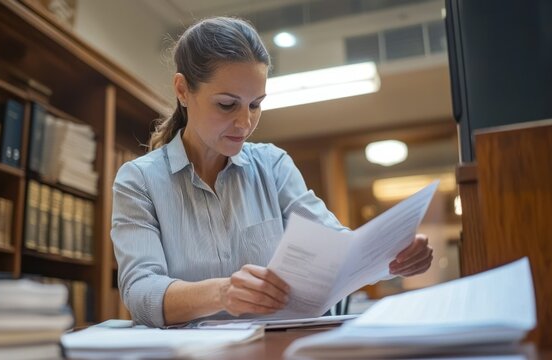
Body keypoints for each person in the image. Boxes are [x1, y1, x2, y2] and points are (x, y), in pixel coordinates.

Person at [111, 17, 433, 328]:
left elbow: (336, 248)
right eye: (227, 104)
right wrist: (222, 293)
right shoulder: (138, 182)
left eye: (255, 105)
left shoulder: (273, 166)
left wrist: (392, 256)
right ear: (183, 90)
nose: (245, 123)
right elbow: (140, 293)